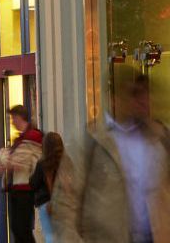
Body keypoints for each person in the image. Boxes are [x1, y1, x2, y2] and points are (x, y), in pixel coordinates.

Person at [51, 69, 170, 243]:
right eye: (134, 93)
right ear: (115, 97)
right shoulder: (92, 141)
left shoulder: (160, 139)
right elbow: (65, 204)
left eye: (145, 92)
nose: (143, 100)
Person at [0, 105, 44, 243]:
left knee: (22, 230)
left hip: (25, 189)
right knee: (17, 229)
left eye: (13, 118)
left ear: (19, 117)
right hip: (17, 189)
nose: (12, 122)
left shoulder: (32, 136)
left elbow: (19, 161)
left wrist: (7, 161)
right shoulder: (21, 139)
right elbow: (10, 158)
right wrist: (7, 161)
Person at [35, 131, 66, 243]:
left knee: (49, 236)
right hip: (63, 203)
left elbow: (34, 183)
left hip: (46, 204)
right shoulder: (66, 162)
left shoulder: (42, 163)